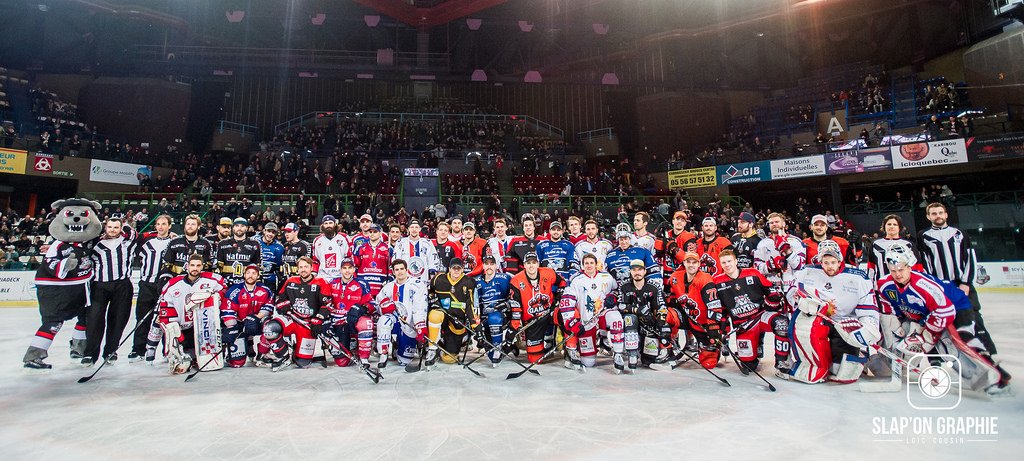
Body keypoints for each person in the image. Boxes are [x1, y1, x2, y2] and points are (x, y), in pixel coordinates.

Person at [876, 243, 1009, 393]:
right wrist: (896, 329)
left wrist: (927, 336)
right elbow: (888, 309)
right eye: (893, 270)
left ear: (909, 266)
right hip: (929, 314)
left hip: (956, 306)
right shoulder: (884, 284)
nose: (897, 274)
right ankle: (984, 377)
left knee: (961, 341)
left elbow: (945, 311)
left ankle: (993, 377)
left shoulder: (923, 285)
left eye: (901, 269)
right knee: (933, 345)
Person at [785, 240, 879, 384]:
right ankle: (813, 365)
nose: (830, 266)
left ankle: (859, 354)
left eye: (833, 262)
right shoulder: (807, 272)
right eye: (826, 262)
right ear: (820, 261)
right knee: (803, 325)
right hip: (820, 319)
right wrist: (802, 301)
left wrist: (865, 328)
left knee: (838, 369)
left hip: (845, 323)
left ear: (839, 261)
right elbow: (792, 293)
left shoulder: (858, 277)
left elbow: (869, 308)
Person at [917, 202, 997, 357]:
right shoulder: (923, 236)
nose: (938, 216)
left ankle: (985, 350)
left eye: (940, 212)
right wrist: (933, 286)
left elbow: (970, 259)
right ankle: (950, 352)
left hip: (960, 284)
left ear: (946, 214)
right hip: (940, 286)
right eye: (934, 213)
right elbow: (925, 264)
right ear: (928, 217)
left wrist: (966, 283)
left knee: (973, 315)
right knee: (942, 318)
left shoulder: (959, 233)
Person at [713, 250, 791, 374]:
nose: (727, 265)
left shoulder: (752, 273)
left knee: (781, 323)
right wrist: (722, 326)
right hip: (743, 325)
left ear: (736, 261)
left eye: (729, 261)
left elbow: (770, 289)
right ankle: (752, 350)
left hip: (760, 316)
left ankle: (782, 361)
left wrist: (773, 298)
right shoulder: (717, 282)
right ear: (720, 264)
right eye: (724, 262)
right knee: (748, 366)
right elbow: (720, 309)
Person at [154, 254, 227, 374]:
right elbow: (166, 308)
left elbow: (224, 290)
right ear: (187, 266)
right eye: (192, 265)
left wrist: (217, 295)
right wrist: (176, 332)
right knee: (172, 329)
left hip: (206, 328)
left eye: (198, 266)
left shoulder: (213, 280)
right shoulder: (173, 284)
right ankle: (180, 352)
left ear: (202, 266)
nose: (195, 268)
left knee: (206, 359)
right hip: (185, 329)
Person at [83, 215, 139, 365]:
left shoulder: (127, 242)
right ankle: (90, 354)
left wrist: (124, 223)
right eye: (110, 227)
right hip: (99, 286)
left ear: (120, 229)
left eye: (116, 227)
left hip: (122, 285)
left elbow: (133, 232)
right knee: (94, 320)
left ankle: (110, 351)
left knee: (118, 320)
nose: (112, 230)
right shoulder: (96, 244)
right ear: (105, 227)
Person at [557, 253, 624, 372]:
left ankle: (618, 353)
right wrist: (571, 322)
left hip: (603, 314)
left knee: (616, 318)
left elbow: (617, 290)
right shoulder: (576, 280)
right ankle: (571, 350)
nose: (589, 265)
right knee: (588, 363)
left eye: (591, 263)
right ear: (582, 265)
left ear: (596, 264)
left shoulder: (606, 277)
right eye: (586, 263)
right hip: (587, 321)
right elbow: (566, 302)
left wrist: (612, 297)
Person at [265, 256, 334, 369]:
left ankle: (295, 351)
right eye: (301, 267)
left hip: (307, 324)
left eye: (306, 267)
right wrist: (283, 306)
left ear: (311, 268)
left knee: (303, 363)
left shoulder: (321, 282)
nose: (303, 269)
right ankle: (283, 356)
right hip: (292, 319)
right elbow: (279, 299)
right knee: (270, 328)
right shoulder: (291, 281)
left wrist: (318, 320)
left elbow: (327, 304)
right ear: (297, 269)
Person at [616, 259, 681, 371]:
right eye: (634, 270)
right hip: (632, 323)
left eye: (640, 269)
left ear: (645, 271)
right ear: (630, 271)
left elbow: (662, 306)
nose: (637, 272)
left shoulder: (653, 286)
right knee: (630, 319)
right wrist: (637, 310)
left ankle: (666, 349)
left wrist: (660, 321)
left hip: (649, 323)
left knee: (648, 359)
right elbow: (621, 306)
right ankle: (632, 353)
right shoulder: (624, 286)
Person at [666, 252, 723, 369]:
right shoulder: (675, 277)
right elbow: (669, 297)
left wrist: (713, 328)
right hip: (687, 318)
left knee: (708, 364)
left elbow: (714, 306)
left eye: (694, 262)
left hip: (704, 325)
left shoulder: (705, 279)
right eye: (688, 262)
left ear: (699, 264)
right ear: (684, 263)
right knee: (664, 315)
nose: (691, 265)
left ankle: (706, 347)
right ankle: (667, 349)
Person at [508, 252, 566, 364]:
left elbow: (562, 281)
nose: (531, 266)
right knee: (535, 359)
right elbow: (516, 308)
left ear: (538, 264)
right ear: (524, 265)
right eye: (528, 263)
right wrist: (513, 328)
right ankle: (538, 347)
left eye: (534, 262)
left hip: (549, 313)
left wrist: (560, 292)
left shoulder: (548, 273)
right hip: (532, 321)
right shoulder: (516, 281)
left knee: (568, 314)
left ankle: (570, 349)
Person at [131, 214, 173, 362]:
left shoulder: (173, 243)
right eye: (158, 224)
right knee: (142, 318)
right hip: (147, 285)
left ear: (169, 226)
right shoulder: (147, 243)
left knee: (166, 319)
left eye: (164, 224)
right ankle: (138, 350)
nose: (161, 227)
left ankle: (167, 350)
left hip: (166, 287)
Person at [375, 259, 429, 368]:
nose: (400, 272)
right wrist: (384, 307)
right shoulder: (388, 287)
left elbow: (420, 307)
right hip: (394, 321)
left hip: (409, 324)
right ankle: (383, 354)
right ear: (393, 272)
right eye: (397, 270)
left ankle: (398, 345)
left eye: (402, 269)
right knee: (383, 321)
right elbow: (378, 303)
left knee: (404, 361)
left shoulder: (417, 285)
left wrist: (420, 325)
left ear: (406, 270)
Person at [426, 257, 477, 367]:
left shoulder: (469, 282)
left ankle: (443, 347)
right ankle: (432, 349)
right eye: (454, 268)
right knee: (434, 315)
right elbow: (429, 292)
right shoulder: (438, 279)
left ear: (462, 269)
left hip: (457, 320)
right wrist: (433, 299)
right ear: (449, 269)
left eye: (459, 268)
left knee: (449, 359)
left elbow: (470, 304)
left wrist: (474, 324)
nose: (456, 270)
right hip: (442, 315)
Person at [326, 258, 375, 368]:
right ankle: (351, 348)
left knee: (366, 323)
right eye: (344, 268)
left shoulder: (362, 283)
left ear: (354, 269)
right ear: (340, 270)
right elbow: (325, 302)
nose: (347, 271)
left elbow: (372, 304)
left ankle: (364, 358)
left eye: (350, 268)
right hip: (337, 322)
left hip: (353, 320)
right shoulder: (332, 283)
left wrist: (359, 308)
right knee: (341, 362)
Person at [221, 265, 275, 368]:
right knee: (237, 363)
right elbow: (227, 312)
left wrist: (256, 318)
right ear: (244, 275)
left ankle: (262, 354)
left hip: (257, 321)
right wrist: (232, 329)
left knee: (271, 326)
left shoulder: (265, 290)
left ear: (258, 276)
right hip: (240, 325)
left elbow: (268, 308)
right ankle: (246, 346)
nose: (251, 275)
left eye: (254, 273)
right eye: (248, 273)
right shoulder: (234, 290)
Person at [754, 212, 806, 298]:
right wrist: (770, 266)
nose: (774, 224)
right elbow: (757, 267)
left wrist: (787, 251)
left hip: (793, 287)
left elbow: (800, 266)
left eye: (777, 222)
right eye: (771, 223)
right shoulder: (763, 243)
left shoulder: (796, 241)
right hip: (772, 287)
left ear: (784, 224)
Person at [474, 255, 513, 365]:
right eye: (486, 264)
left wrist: (507, 304)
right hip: (484, 319)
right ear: (483, 266)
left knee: (494, 317)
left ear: (496, 266)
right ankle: (506, 348)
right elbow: (474, 304)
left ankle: (498, 347)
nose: (489, 267)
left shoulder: (505, 278)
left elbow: (515, 296)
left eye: (492, 264)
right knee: (492, 357)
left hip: (502, 317)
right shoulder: (476, 282)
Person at [867, 214, 921, 284]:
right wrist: (869, 284)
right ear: (884, 226)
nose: (891, 226)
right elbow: (871, 267)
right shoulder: (875, 244)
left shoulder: (908, 244)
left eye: (895, 224)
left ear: (900, 227)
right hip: (881, 285)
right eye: (889, 224)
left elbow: (917, 267)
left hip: (904, 285)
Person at [161, 214, 215, 279]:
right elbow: (166, 263)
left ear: (198, 226)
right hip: (176, 280)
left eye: (193, 224)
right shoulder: (174, 242)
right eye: (188, 224)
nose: (190, 226)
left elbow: (208, 266)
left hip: (198, 281)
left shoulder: (206, 244)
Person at [215, 217, 261, 288]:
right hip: (226, 283)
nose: (239, 228)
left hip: (247, 284)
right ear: (233, 228)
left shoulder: (254, 244)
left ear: (247, 228)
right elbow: (218, 267)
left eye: (242, 226)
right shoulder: (222, 244)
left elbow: (257, 266)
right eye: (237, 226)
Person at [656, 210, 697, 285]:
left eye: (682, 220)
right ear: (673, 221)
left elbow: (689, 259)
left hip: (682, 277)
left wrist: (673, 248)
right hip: (667, 275)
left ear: (685, 223)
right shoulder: (667, 234)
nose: (679, 222)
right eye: (677, 219)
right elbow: (659, 253)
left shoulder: (689, 237)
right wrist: (659, 238)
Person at [395, 219, 440, 284]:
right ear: (408, 229)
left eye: (416, 227)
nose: (414, 230)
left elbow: (433, 261)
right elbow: (396, 262)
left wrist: (432, 279)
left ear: (420, 229)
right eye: (412, 227)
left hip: (423, 281)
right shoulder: (400, 243)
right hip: (405, 281)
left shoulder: (427, 243)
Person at [352, 223, 391, 298]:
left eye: (375, 232)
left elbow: (391, 268)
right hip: (364, 287)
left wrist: (388, 281)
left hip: (381, 287)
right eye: (370, 232)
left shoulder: (388, 249)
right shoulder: (360, 248)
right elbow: (354, 267)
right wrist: (357, 282)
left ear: (380, 233)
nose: (372, 234)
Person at [312, 215, 350, 283]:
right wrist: (314, 273)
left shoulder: (344, 238)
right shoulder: (317, 241)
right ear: (322, 225)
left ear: (335, 224)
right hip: (322, 277)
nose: (328, 225)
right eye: (326, 223)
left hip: (340, 276)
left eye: (330, 223)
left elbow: (349, 258)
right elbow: (315, 260)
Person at [257, 223, 284, 292]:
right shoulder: (255, 241)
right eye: (269, 231)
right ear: (264, 231)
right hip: (255, 277)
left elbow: (278, 265)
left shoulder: (279, 247)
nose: (270, 234)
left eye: (273, 232)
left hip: (271, 278)